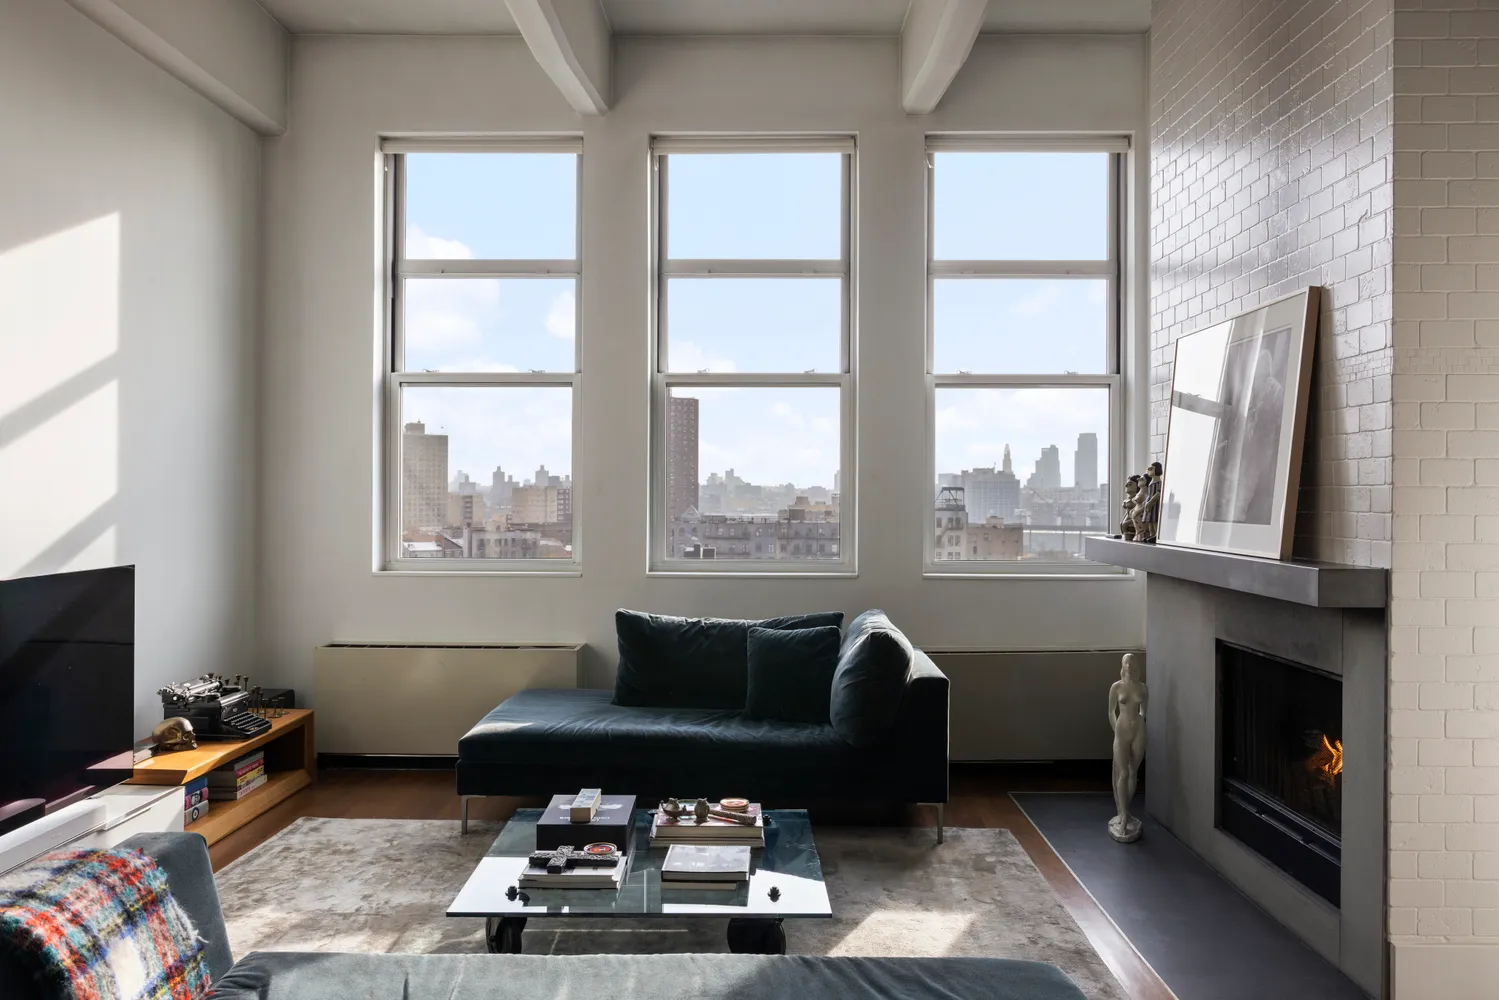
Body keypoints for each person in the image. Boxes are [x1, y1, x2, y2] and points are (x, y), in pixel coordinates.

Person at [1108, 652, 1148, 843]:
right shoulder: (1116, 687)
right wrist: (1116, 730)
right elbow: (1110, 711)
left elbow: (1143, 711)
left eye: (1132, 664)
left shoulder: (1143, 688)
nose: (1130, 667)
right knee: (1123, 773)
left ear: (1136, 666)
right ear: (1122, 666)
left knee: (1133, 773)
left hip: (1139, 730)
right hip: (1122, 730)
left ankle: (1126, 811)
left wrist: (1140, 724)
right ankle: (1123, 817)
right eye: (1126, 664)